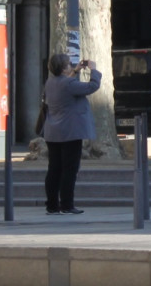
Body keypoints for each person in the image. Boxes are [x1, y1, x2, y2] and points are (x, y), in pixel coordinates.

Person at [43, 53, 102, 214]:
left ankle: (52, 205)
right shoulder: (69, 84)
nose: (70, 66)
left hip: (52, 132)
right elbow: (92, 87)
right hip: (70, 132)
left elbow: (67, 82)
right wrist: (93, 71)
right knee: (69, 169)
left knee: (54, 169)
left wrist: (75, 71)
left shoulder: (50, 82)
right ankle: (67, 205)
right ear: (63, 68)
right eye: (69, 64)